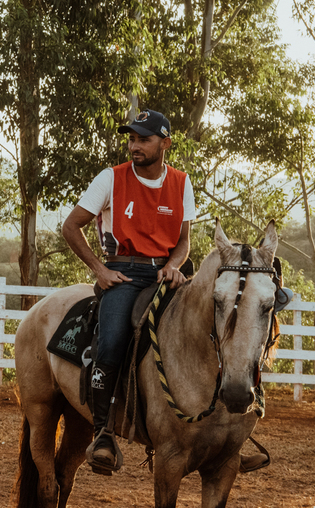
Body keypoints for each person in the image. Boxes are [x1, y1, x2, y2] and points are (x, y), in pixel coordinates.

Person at [61, 109, 193, 473]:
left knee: (207, 326)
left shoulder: (181, 183)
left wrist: (174, 265)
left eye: (144, 139)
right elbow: (71, 226)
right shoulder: (111, 178)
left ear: (165, 143)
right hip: (124, 272)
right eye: (132, 139)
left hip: (165, 274)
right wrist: (100, 270)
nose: (135, 146)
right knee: (112, 342)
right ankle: (103, 432)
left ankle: (219, 429)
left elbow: (184, 241)